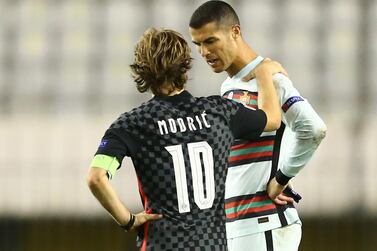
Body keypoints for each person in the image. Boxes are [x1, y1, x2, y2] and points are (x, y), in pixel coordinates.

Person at [87, 27, 285, 250]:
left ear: (142, 70)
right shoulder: (219, 112)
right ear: (184, 65)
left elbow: (96, 178)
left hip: (162, 244)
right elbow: (272, 119)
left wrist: (128, 220)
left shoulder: (132, 124)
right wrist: (263, 73)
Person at [189, 1, 327, 251]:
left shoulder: (272, 79)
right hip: (242, 226)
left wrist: (281, 177)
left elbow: (313, 128)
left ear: (235, 32)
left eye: (210, 41)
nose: (204, 52)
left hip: (263, 224)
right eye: (197, 44)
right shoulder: (229, 87)